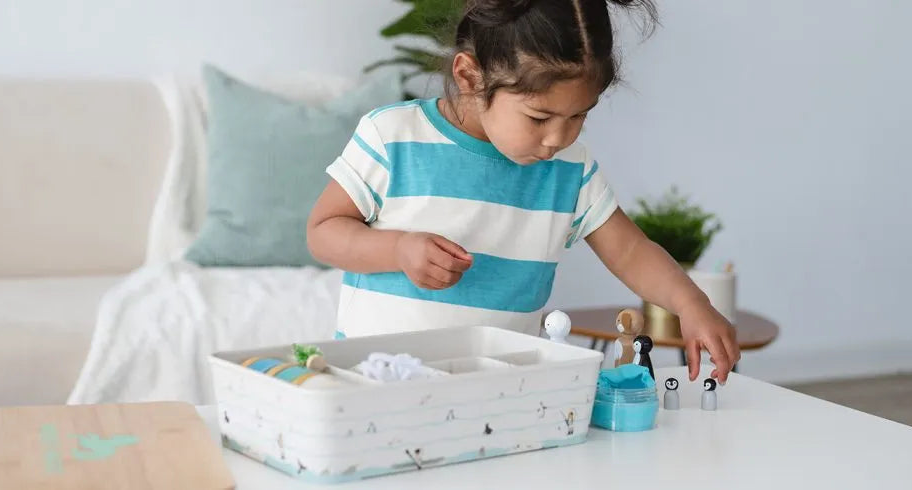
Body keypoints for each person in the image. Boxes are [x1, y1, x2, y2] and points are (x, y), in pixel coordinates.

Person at [307, 0, 739, 382]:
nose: (557, 138)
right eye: (539, 117)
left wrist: (691, 303)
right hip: (378, 380)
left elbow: (629, 252)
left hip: (501, 387)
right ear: (470, 77)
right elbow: (323, 231)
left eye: (578, 117)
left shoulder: (570, 170)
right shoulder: (392, 137)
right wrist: (398, 250)